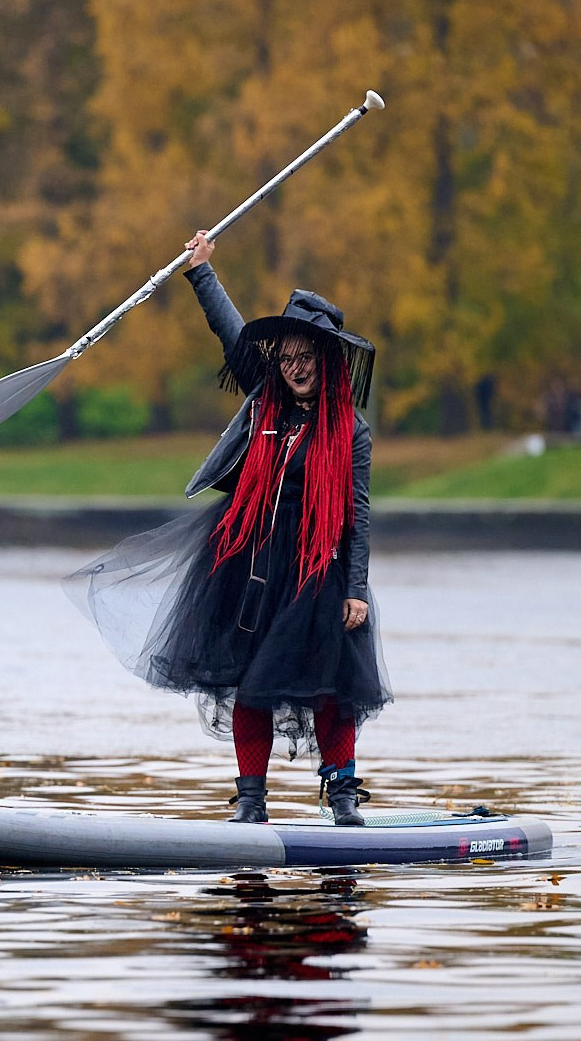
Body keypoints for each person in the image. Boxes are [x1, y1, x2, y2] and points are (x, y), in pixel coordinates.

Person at [68, 230, 391, 825]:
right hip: (250, 563)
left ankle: (343, 798)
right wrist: (202, 270)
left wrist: (355, 589)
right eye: (287, 357)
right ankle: (250, 803)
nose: (294, 368)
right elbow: (232, 334)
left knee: (329, 688)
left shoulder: (352, 432)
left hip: (321, 570)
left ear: (327, 361)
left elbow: (359, 510)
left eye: (306, 358)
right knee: (250, 685)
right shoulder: (264, 400)